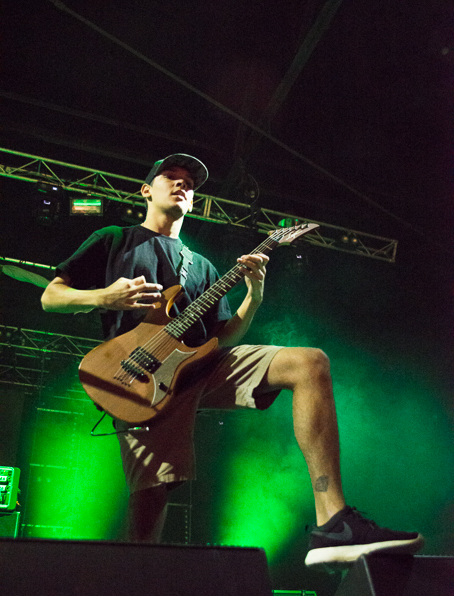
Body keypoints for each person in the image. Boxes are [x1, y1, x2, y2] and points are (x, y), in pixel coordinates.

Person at [41, 153, 424, 570]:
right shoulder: (114, 239)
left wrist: (254, 297)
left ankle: (333, 522)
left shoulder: (200, 267)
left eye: (190, 183)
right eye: (171, 176)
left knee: (310, 363)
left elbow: (222, 339)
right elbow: (51, 297)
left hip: (198, 369)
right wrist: (104, 296)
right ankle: (134, 584)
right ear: (146, 190)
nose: (182, 184)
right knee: (150, 500)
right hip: (138, 379)